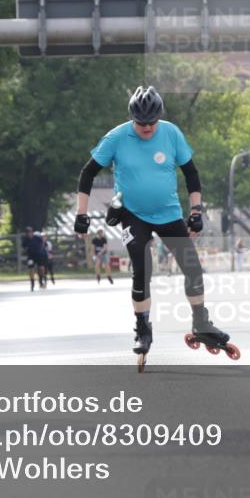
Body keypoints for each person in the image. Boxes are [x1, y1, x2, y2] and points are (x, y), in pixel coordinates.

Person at [73, 86, 232, 363]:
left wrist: (196, 211)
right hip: (132, 215)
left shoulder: (171, 133)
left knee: (193, 269)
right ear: (132, 118)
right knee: (142, 270)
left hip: (169, 213)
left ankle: (201, 323)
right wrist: (81, 214)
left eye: (152, 122)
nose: (147, 128)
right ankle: (142, 329)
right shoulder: (116, 137)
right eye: (141, 123)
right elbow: (88, 174)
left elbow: (191, 174)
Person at [21, 226, 48, 291]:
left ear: (32, 232)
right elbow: (24, 247)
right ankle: (32, 283)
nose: (29, 233)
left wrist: (41, 249)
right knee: (31, 269)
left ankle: (41, 280)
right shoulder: (25, 240)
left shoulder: (37, 238)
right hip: (31, 256)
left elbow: (44, 243)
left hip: (39, 255)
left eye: (30, 232)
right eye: (27, 232)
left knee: (41, 268)